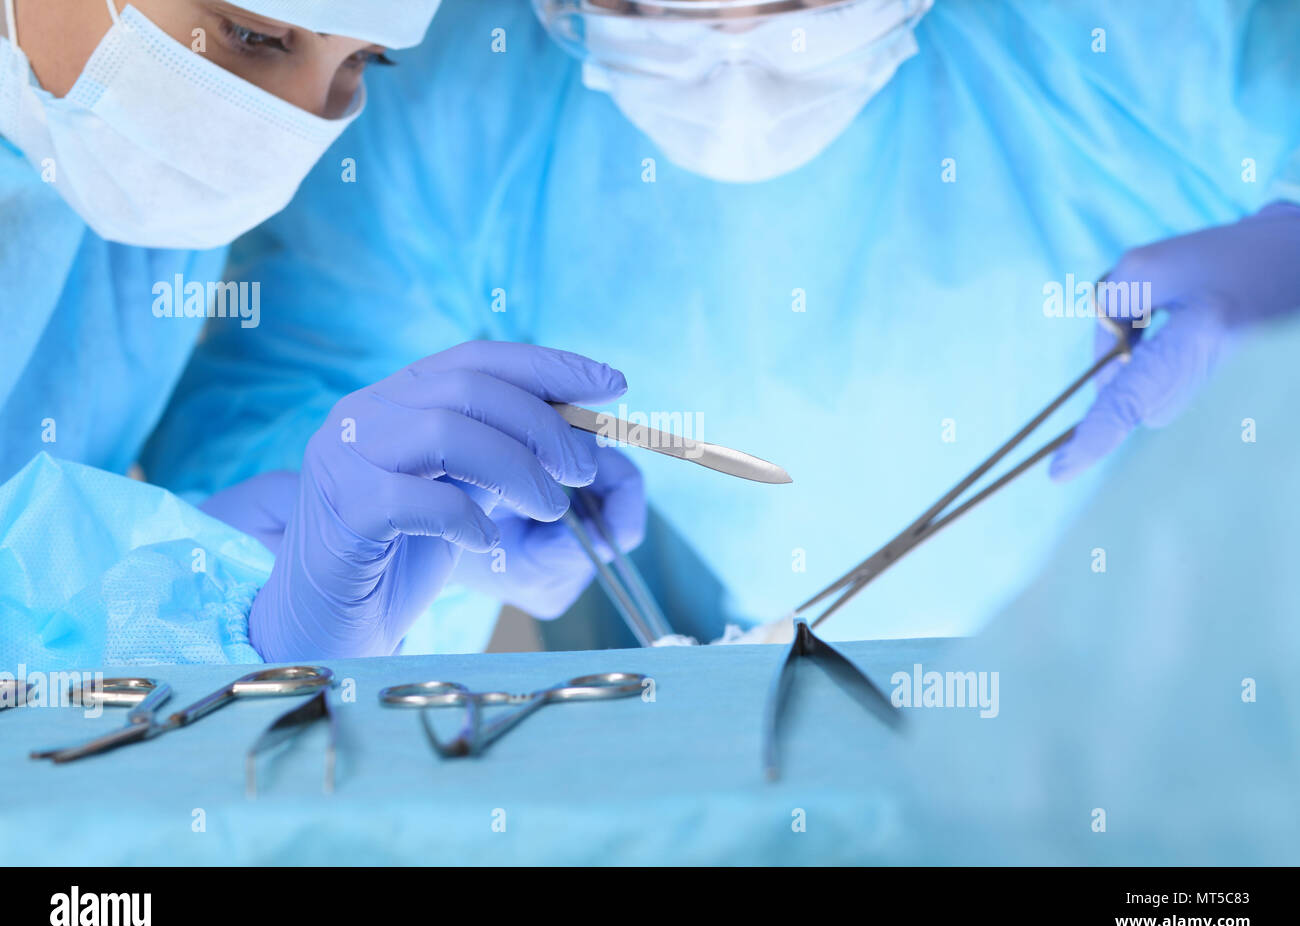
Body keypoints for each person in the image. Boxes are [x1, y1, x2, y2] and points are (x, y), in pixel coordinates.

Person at [146, 0, 1300, 651]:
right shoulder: (455, 91)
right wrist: (351, 556)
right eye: (649, 9)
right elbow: (267, 458)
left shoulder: (1140, 30)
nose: (734, 57)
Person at [0, 0, 640, 666]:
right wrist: (182, 628)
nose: (295, 120)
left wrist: (234, 567)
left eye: (365, 58)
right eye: (251, 35)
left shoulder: (102, 165)